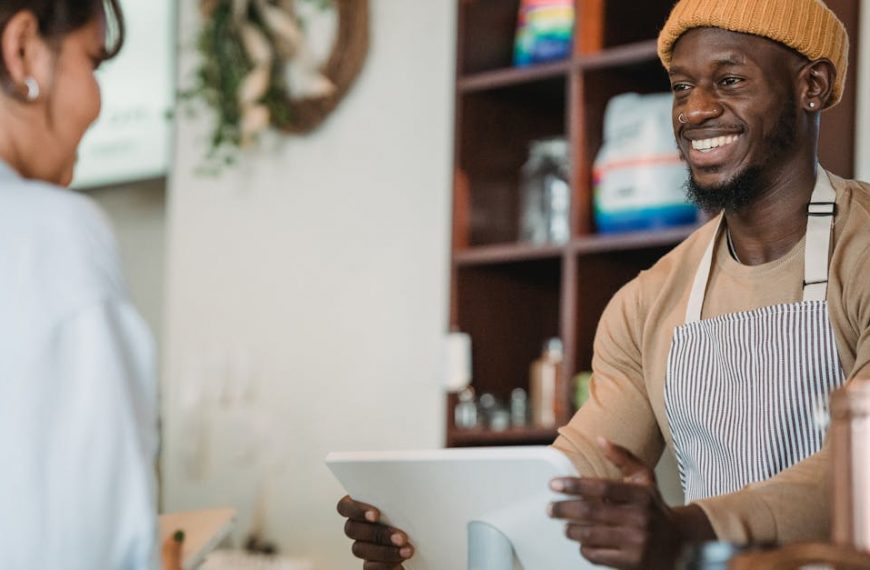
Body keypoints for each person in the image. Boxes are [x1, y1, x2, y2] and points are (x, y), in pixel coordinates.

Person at [336, 0, 870, 568]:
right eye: (682, 86)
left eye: (730, 79)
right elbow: (577, 473)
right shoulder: (647, 300)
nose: (695, 111)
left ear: (812, 85)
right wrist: (422, 533)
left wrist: (692, 530)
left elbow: (863, 463)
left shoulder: (861, 252)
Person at [0, 2, 181, 568]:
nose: (98, 102)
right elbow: (86, 545)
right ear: (23, 47)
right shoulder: (49, 232)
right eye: (93, 63)